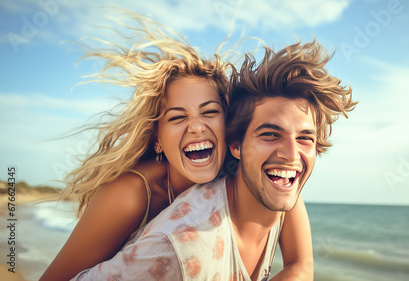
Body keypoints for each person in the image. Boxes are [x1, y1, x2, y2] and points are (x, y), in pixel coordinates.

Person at [40, 14, 314, 281]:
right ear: (157, 138)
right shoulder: (131, 194)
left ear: (229, 125)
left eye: (209, 112)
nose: (196, 127)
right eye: (177, 117)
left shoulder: (254, 171)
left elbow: (301, 264)